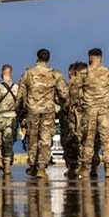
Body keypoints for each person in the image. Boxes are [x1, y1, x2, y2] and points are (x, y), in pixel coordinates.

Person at [16, 48, 69, 179]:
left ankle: (33, 165)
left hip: (32, 110)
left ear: (37, 58)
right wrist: (60, 104)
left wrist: (18, 110)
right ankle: (41, 168)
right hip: (47, 111)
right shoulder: (55, 74)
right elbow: (64, 93)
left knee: (32, 138)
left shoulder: (28, 73)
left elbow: (20, 94)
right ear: (48, 59)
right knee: (45, 139)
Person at [76, 48, 109, 178]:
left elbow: (74, 91)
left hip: (89, 112)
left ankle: (84, 168)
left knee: (88, 140)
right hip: (104, 112)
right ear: (101, 58)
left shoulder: (84, 73)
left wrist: (80, 100)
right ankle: (108, 169)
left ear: (89, 58)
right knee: (107, 140)